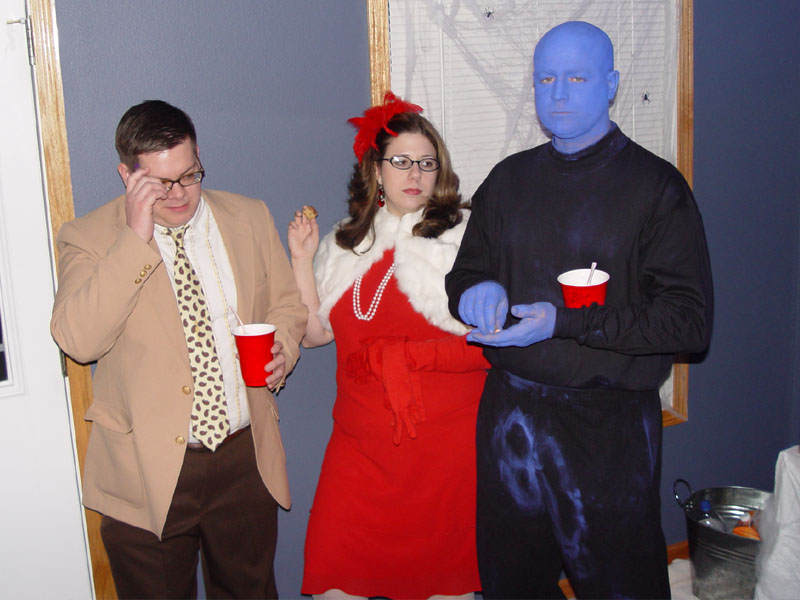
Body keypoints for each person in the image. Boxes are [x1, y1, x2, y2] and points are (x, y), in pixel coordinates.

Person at [445, 21, 713, 599]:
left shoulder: (656, 188)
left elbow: (689, 323)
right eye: (546, 79)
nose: (559, 93)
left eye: (577, 78)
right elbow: (465, 273)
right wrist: (476, 290)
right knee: (511, 582)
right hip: (510, 416)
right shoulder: (508, 179)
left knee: (622, 583)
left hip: (608, 425)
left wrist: (565, 321)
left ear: (611, 84)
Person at [50, 100, 306, 598]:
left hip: (243, 457)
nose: (179, 193)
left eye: (189, 175)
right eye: (159, 183)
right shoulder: (89, 237)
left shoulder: (249, 216)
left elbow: (287, 306)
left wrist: (284, 349)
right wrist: (135, 238)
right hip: (144, 470)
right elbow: (77, 340)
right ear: (127, 175)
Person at [288, 92, 488, 599]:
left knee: (445, 587)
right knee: (336, 581)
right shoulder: (345, 242)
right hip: (358, 453)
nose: (414, 173)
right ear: (376, 170)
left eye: (426, 162)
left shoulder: (468, 239)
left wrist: (406, 355)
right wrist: (302, 260)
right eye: (401, 161)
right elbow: (315, 334)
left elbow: (495, 346)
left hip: (444, 457)